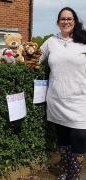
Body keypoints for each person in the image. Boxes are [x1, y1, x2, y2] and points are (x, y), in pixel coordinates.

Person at [39, 7, 86, 180]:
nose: (66, 22)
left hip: (81, 99)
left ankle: (73, 175)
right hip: (57, 100)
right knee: (63, 138)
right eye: (63, 19)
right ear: (58, 22)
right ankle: (67, 171)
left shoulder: (84, 40)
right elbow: (34, 58)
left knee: (80, 137)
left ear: (75, 21)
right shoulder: (51, 41)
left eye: (69, 19)